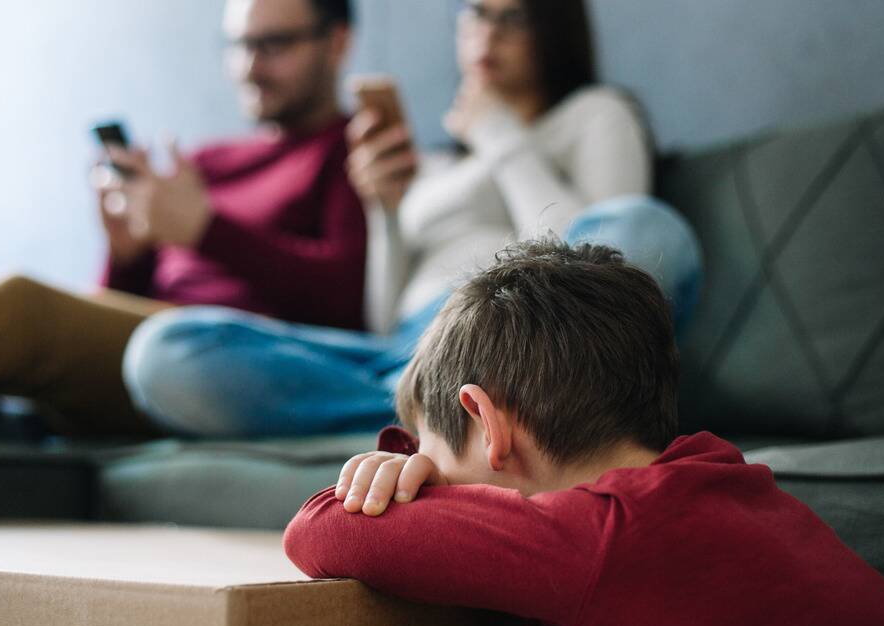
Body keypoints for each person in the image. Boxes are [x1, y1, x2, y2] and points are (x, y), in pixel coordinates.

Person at [282, 240, 884, 626]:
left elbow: (318, 529)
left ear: (485, 424)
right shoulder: (722, 482)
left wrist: (389, 488)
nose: (424, 480)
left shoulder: (595, 537)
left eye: (432, 459)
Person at [121, 0, 701, 437]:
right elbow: (380, 317)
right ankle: (438, 409)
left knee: (648, 226)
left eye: (512, 18)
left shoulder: (594, 115)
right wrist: (386, 212)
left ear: (553, 29)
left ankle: (439, 410)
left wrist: (500, 135)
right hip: (406, 352)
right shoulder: (436, 165)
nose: (487, 33)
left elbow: (601, 281)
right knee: (165, 348)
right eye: (475, 13)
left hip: (519, 335)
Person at [0, 0, 364, 435]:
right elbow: (115, 303)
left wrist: (206, 231)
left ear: (336, 42)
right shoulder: (207, 161)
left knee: (21, 305)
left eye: (274, 45)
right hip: (130, 340)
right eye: (238, 45)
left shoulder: (351, 151)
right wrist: (124, 256)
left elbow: (342, 300)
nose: (248, 66)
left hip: (207, 358)